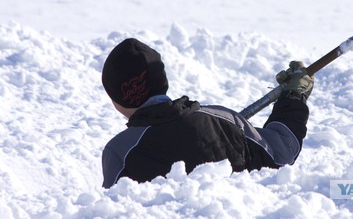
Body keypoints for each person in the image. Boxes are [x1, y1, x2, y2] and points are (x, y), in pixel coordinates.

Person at [101, 38, 314, 188]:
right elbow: (282, 152)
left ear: (117, 99)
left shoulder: (119, 151)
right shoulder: (225, 121)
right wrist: (294, 96)